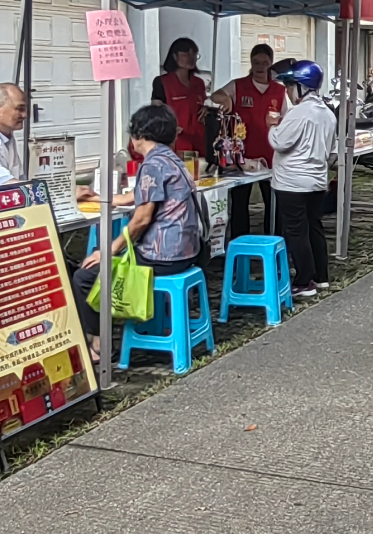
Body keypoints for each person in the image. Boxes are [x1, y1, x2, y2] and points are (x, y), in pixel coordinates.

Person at [73, 104, 201, 363]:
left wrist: (110, 249)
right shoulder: (170, 158)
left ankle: (98, 345)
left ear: (138, 135)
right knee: (100, 263)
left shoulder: (153, 164)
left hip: (163, 256)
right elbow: (136, 196)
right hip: (187, 250)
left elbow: (141, 219)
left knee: (84, 275)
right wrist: (99, 198)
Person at [269, 61, 337, 298]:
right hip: (317, 180)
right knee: (314, 227)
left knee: (296, 231)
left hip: (292, 182)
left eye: (290, 85)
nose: (287, 91)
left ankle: (304, 280)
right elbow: (333, 152)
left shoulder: (298, 113)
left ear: (301, 86)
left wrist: (272, 126)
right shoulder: (328, 114)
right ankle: (321, 276)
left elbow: (279, 142)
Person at [210, 44, 290, 237]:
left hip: (270, 157)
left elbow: (286, 120)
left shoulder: (279, 91)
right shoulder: (238, 85)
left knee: (273, 204)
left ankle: (273, 242)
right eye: (256, 62)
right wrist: (226, 99)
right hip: (241, 158)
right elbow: (214, 95)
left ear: (271, 64)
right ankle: (240, 243)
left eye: (264, 62)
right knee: (239, 205)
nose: (260, 66)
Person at [151, 37, 208, 156]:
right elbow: (156, 113)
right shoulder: (162, 82)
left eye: (194, 54)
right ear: (175, 56)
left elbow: (202, 106)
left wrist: (206, 110)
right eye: (186, 53)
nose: (191, 57)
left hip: (199, 141)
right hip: (176, 142)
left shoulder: (199, 83)